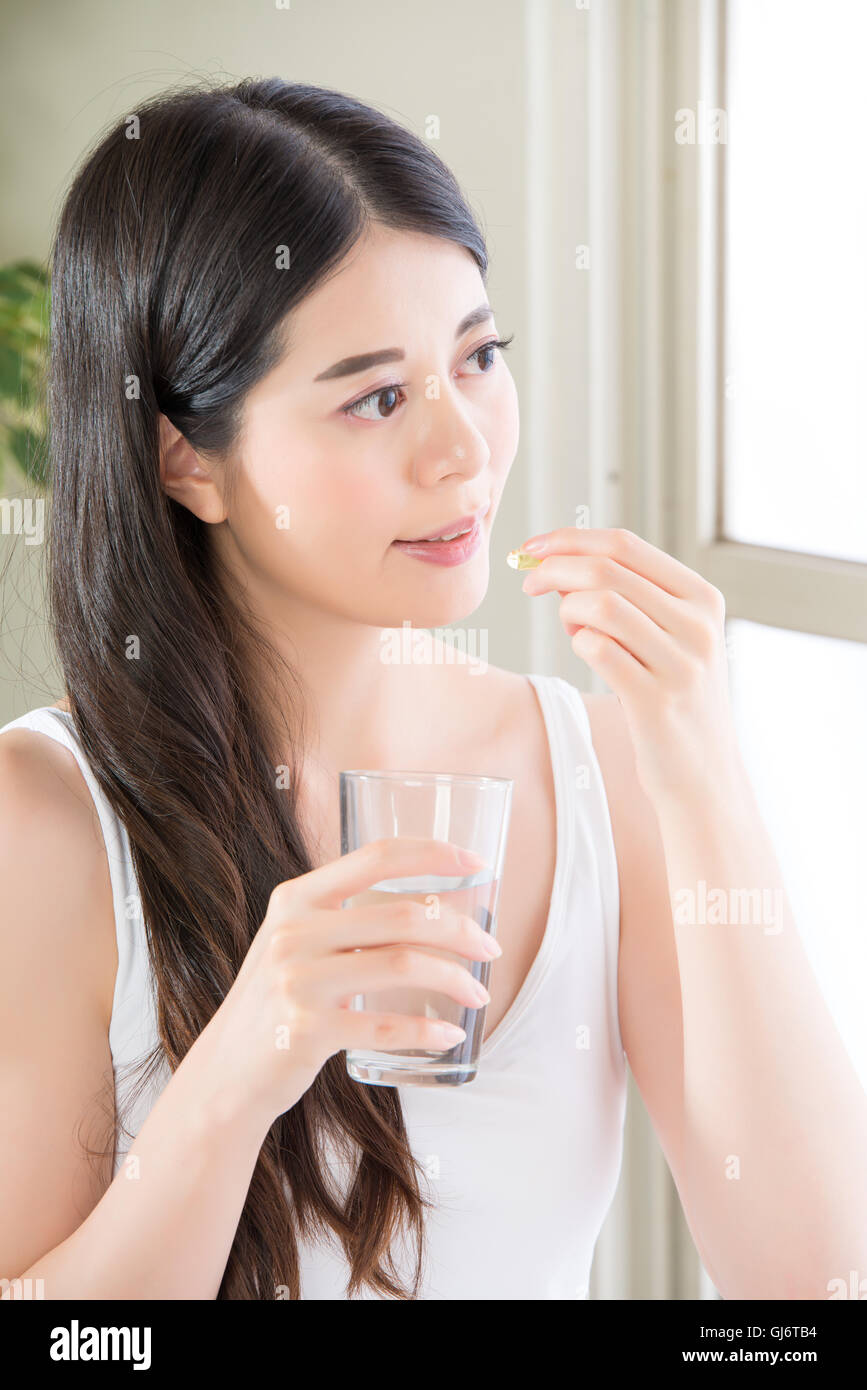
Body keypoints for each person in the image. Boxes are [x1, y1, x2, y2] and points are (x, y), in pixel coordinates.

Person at [7, 76, 846, 1305]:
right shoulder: (48, 817)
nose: (465, 450)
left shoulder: (603, 767)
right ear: (188, 458)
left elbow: (811, 1282)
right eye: (378, 397)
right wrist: (239, 1070)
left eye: (480, 357)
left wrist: (702, 761)